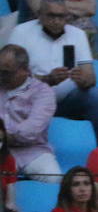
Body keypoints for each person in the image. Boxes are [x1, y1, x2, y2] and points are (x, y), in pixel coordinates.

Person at [7, 0, 98, 141]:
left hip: (65, 100)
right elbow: (10, 78)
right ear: (39, 15)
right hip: (30, 100)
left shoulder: (77, 34)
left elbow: (91, 78)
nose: (56, 21)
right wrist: (46, 79)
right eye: (51, 16)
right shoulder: (21, 32)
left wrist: (83, 80)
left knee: (96, 96)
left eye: (61, 16)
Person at [0, 44, 61, 183]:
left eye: (6, 72)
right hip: (1, 150)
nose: (1, 76)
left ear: (25, 71)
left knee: (54, 179)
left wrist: (4, 134)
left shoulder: (43, 92)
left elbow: (31, 130)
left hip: (33, 151)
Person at [0, 118, 16, 212]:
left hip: (3, 211)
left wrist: (11, 207)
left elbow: (10, 187)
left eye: (0, 141)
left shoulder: (9, 159)